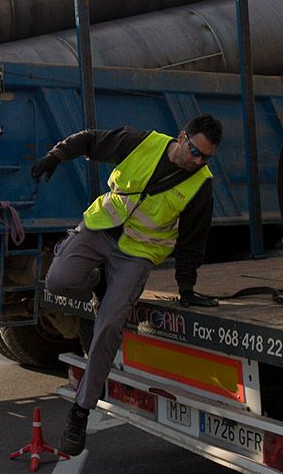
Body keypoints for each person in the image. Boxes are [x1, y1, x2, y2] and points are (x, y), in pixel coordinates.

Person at [33, 113, 223, 456]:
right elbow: (90, 139)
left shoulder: (201, 185)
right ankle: (95, 279)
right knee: (57, 283)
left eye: (205, 157)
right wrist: (57, 155)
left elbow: (193, 241)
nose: (197, 161)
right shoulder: (143, 142)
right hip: (100, 228)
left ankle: (80, 411)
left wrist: (187, 288)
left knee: (108, 325)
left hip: (136, 255)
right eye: (194, 151)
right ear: (181, 137)